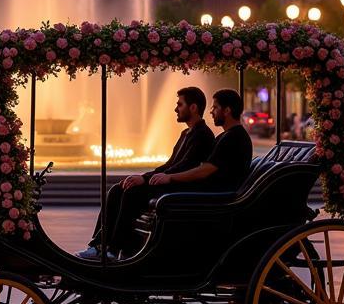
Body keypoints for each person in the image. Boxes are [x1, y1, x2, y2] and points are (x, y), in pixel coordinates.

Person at [78, 88, 253, 260]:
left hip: (210, 194)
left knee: (132, 193)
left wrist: (162, 178)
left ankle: (115, 249)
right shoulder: (210, 135)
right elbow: (172, 164)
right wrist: (145, 177)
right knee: (117, 190)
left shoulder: (224, 137)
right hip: (201, 188)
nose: (211, 112)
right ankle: (100, 245)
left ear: (227, 110)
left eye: (215, 108)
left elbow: (200, 169)